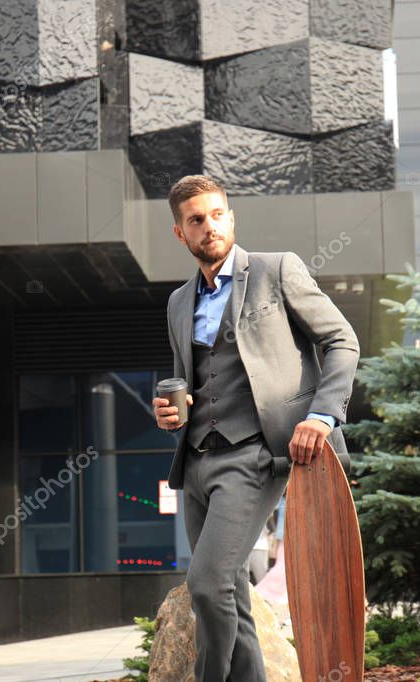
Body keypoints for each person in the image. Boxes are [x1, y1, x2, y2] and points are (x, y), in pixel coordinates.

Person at [152, 175, 360, 681]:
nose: (209, 226)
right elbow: (200, 381)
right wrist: (168, 413)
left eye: (217, 214)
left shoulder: (275, 270)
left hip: (255, 455)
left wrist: (320, 415)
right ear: (180, 233)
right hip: (197, 460)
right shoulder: (179, 302)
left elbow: (342, 340)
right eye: (196, 220)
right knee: (231, 597)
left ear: (231, 216)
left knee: (206, 584)